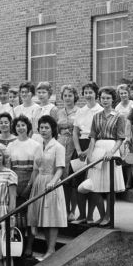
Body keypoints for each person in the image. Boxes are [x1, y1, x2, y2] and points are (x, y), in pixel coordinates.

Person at [28, 115, 67, 260]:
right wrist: (30, 185)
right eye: (41, 128)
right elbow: (35, 169)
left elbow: (60, 169)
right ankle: (48, 249)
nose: (43, 130)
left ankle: (51, 250)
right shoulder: (37, 146)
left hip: (52, 182)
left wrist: (53, 182)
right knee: (41, 218)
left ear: (52, 129)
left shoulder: (58, 147)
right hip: (39, 182)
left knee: (51, 217)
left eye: (46, 128)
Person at [85, 87, 126, 226]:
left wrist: (112, 151)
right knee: (94, 185)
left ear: (113, 99)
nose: (105, 100)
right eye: (103, 98)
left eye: (108, 98)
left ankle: (109, 216)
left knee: (110, 186)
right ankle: (102, 215)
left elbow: (121, 138)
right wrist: (89, 154)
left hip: (111, 149)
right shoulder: (96, 116)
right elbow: (92, 137)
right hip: (97, 149)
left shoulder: (119, 116)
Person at [7, 115, 42, 256]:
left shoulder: (36, 145)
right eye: (17, 125)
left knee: (30, 216)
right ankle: (18, 245)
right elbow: (9, 168)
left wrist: (29, 185)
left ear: (28, 127)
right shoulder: (11, 145)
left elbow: (36, 169)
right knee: (17, 217)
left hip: (30, 181)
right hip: (15, 182)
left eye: (23, 125)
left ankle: (29, 246)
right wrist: (12, 188)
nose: (20, 128)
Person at [71, 82, 103, 224]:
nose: (88, 95)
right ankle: (81, 215)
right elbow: (75, 132)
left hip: (93, 146)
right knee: (78, 183)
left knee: (91, 183)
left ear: (96, 94)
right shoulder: (80, 111)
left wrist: (87, 151)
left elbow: (99, 134)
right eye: (86, 92)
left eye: (91, 92)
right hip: (80, 147)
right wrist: (78, 150)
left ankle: (90, 216)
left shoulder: (100, 111)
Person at [56, 85, 79, 221]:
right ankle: (63, 209)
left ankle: (72, 210)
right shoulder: (59, 112)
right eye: (65, 96)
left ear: (74, 97)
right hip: (60, 145)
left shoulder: (79, 111)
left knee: (72, 178)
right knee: (62, 178)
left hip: (73, 144)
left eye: (70, 95)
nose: (67, 98)